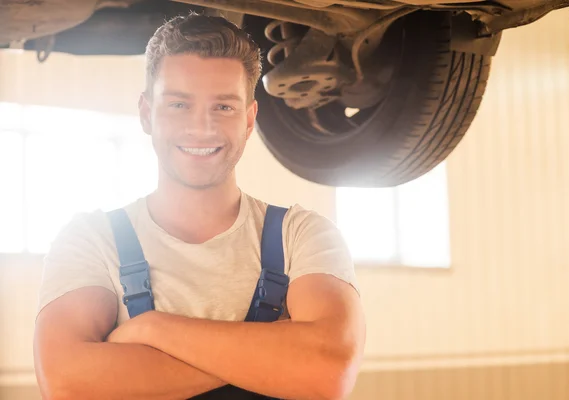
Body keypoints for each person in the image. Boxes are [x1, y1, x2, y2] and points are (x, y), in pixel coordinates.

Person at [33, 12, 365, 400]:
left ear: (249, 118)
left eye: (223, 107)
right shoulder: (90, 240)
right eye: (178, 105)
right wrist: (271, 361)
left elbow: (327, 373)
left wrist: (154, 329)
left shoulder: (303, 234)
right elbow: (68, 382)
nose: (202, 127)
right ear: (146, 113)